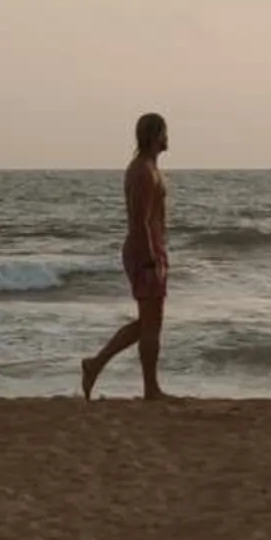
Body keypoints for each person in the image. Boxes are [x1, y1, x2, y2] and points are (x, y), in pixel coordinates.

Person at [81, 112, 170, 400]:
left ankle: (98, 365)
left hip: (154, 249)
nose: (167, 137)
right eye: (164, 132)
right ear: (154, 134)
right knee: (150, 323)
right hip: (144, 250)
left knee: (150, 323)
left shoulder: (151, 168)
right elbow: (139, 220)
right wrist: (150, 256)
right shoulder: (141, 170)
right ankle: (147, 387)